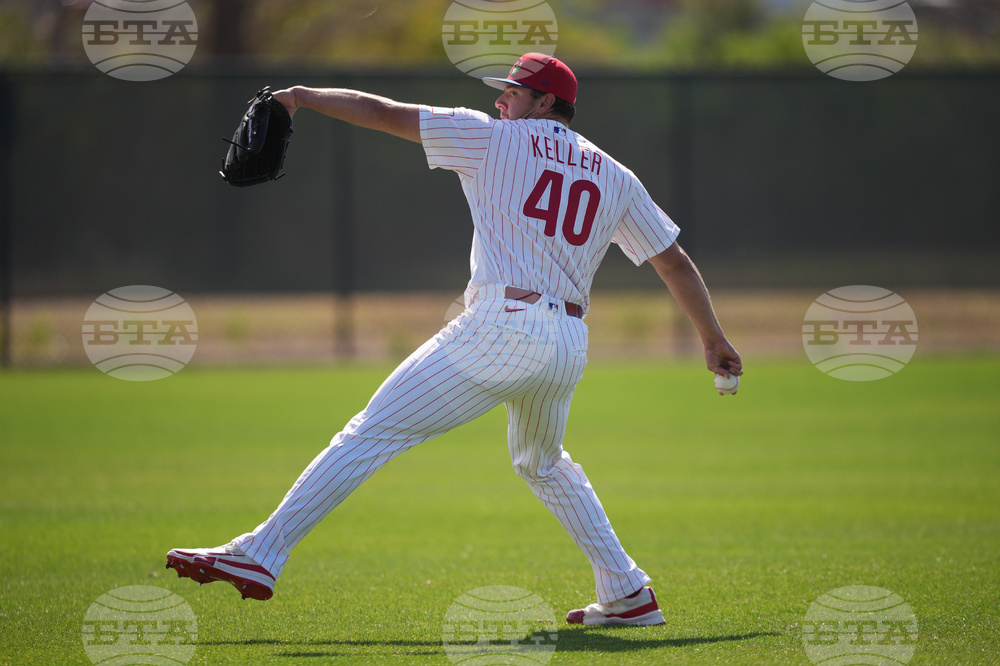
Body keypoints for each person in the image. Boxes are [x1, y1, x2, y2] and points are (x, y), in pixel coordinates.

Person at [167, 52, 742, 626]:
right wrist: (712, 338)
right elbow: (674, 263)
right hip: (567, 341)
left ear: (546, 103)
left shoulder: (491, 139)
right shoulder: (615, 174)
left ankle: (259, 555)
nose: (501, 99)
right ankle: (626, 590)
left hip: (502, 328)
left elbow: (383, 112)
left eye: (514, 92)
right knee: (543, 464)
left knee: (372, 431)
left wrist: (302, 96)